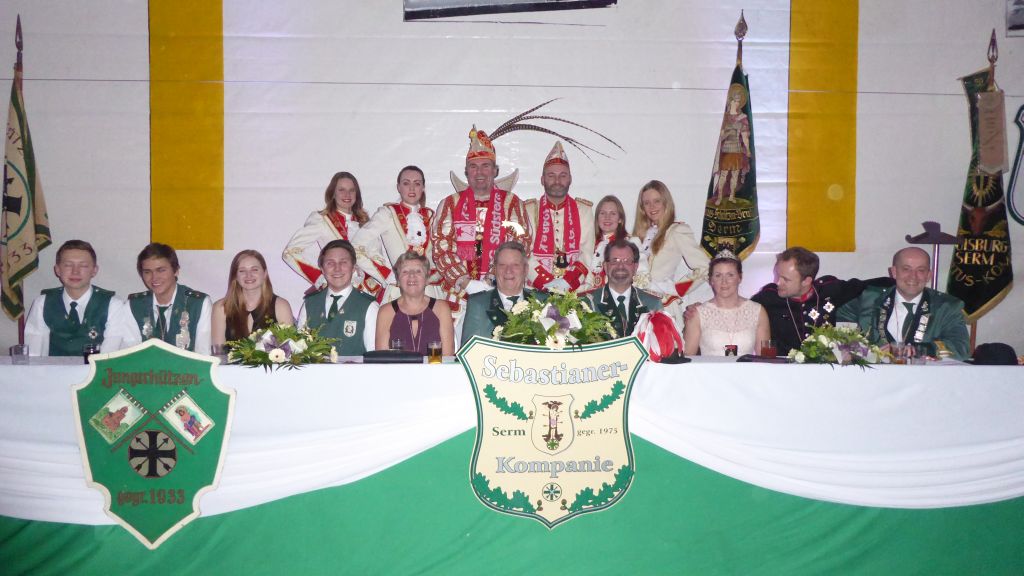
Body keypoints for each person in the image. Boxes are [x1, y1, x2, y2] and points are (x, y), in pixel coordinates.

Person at [432, 127, 532, 305]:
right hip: (458, 294)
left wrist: (491, 279)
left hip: (502, 290)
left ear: (495, 170)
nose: (479, 172)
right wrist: (466, 283)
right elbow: (442, 247)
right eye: (473, 167)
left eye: (485, 166)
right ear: (466, 172)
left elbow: (520, 243)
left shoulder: (511, 203)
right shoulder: (450, 203)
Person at [751, 246, 892, 357]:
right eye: (778, 275)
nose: (778, 282)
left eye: (785, 279)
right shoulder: (769, 297)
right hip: (783, 371)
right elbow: (743, 307)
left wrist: (898, 281)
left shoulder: (829, 289)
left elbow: (867, 285)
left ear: (806, 281)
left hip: (826, 370)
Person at [838, 247, 969, 360]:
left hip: (925, 377)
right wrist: (866, 353)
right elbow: (841, 332)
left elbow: (961, 348)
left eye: (921, 270)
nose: (913, 276)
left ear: (929, 275)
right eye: (906, 269)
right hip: (873, 375)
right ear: (894, 272)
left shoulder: (947, 306)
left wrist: (918, 350)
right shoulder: (868, 299)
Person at [24, 240, 141, 356]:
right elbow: (35, 353)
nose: (75, 271)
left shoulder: (112, 304)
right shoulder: (43, 303)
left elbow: (109, 354)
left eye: (83, 266)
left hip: (97, 368)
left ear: (94, 270)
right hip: (52, 368)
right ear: (58, 270)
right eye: (68, 265)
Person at [353, 165, 442, 304]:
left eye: (417, 183)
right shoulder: (388, 213)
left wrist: (434, 275)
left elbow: (439, 252)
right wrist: (386, 274)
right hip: (398, 291)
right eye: (406, 183)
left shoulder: (430, 215)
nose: (412, 188)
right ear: (398, 187)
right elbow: (356, 246)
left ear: (423, 187)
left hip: (430, 290)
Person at [631, 180, 711, 324]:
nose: (652, 206)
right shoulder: (638, 237)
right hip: (636, 306)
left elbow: (705, 268)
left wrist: (675, 289)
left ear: (666, 203)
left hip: (663, 307)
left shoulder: (677, 231)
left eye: (657, 201)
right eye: (647, 203)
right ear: (642, 208)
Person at [282, 171, 372, 294]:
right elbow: (290, 253)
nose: (347, 194)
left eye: (352, 190)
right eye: (341, 190)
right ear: (333, 193)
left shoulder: (365, 222)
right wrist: (322, 280)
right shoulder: (321, 219)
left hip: (368, 292)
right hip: (338, 290)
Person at [523, 141, 594, 293]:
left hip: (576, 290)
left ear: (570, 179)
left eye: (563, 175)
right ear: (542, 179)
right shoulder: (529, 210)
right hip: (536, 290)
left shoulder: (583, 210)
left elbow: (587, 253)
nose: (557, 181)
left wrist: (568, 283)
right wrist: (547, 283)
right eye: (551, 175)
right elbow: (525, 252)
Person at [297, 239, 378, 356]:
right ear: (322, 269)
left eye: (343, 262)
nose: (337, 268)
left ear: (353, 268)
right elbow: (300, 351)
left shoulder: (368, 306)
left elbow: (373, 355)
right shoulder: (310, 304)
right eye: (330, 263)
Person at [128, 243, 212, 353]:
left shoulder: (199, 303)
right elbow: (130, 351)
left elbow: (203, 353)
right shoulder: (134, 305)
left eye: (161, 270)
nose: (154, 278)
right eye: (147, 272)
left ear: (176, 270)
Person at [683, 252, 769, 356]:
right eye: (718, 275)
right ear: (711, 280)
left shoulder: (757, 311)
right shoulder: (697, 313)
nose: (724, 281)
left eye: (730, 275)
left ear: (740, 277)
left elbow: (765, 358)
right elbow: (688, 356)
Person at [374, 251, 455, 355]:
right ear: (398, 280)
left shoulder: (441, 309)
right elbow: (382, 358)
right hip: (395, 367)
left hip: (435, 366)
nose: (412, 275)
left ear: (427, 279)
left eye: (418, 271)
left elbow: (448, 356)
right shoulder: (386, 312)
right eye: (405, 271)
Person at [461, 241, 543, 343]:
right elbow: (469, 349)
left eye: (515, 265)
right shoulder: (478, 303)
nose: (508, 271)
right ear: (495, 269)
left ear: (526, 270)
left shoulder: (543, 301)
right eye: (502, 265)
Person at [583, 238, 662, 337]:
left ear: (635, 267)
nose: (620, 266)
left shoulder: (653, 304)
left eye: (627, 261)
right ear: (605, 266)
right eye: (615, 261)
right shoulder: (587, 303)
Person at [212, 250, 294, 345]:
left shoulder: (281, 306)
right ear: (235, 276)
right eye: (242, 271)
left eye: (254, 270)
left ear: (265, 273)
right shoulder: (221, 308)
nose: (248, 275)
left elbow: (289, 349)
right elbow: (218, 351)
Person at [589, 195, 647, 289]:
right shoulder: (589, 244)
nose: (607, 217)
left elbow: (642, 278)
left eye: (613, 213)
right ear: (597, 218)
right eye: (603, 213)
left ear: (620, 219)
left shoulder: (631, 242)